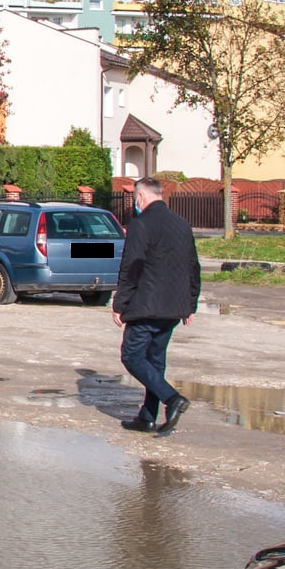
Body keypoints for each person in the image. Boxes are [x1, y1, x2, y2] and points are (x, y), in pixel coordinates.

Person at [111, 178, 202, 435]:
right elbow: (193, 266)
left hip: (147, 305)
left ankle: (172, 398)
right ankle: (147, 417)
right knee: (155, 360)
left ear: (141, 198)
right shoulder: (181, 224)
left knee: (131, 356)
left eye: (135, 200)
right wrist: (190, 303)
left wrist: (120, 303)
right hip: (174, 307)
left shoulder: (141, 225)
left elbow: (132, 267)